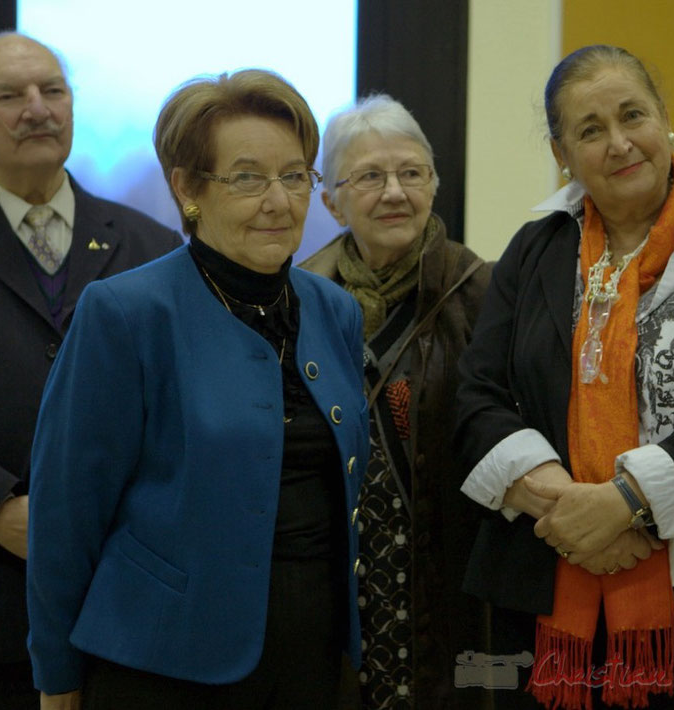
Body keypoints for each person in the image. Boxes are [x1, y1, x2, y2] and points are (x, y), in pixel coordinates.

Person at [455, 45, 674, 710]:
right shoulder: (534, 252)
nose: (619, 143)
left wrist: (625, 503)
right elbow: (477, 397)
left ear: (664, 118)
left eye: (632, 116)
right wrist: (567, 507)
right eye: (590, 130)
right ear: (562, 153)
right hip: (541, 595)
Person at [26, 69, 368, 710]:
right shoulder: (125, 312)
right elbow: (65, 512)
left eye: (295, 176)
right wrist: (57, 675)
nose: (279, 200)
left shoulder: (333, 310)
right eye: (247, 178)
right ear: (187, 189)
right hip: (161, 662)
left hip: (313, 656)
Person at [0, 32, 181, 710]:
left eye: (53, 90)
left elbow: (177, 403)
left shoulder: (152, 247)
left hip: (126, 589)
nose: (37, 109)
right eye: (9, 96)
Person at [303, 94, 493, 709]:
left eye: (411, 173)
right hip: (337, 585)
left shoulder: (483, 294)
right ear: (331, 199)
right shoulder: (300, 300)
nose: (394, 192)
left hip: (454, 587)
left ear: (434, 185)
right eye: (370, 176)